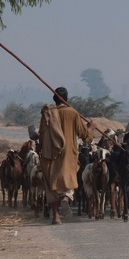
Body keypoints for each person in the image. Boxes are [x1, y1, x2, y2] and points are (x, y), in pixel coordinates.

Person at [39, 87, 94, 225]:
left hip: (50, 154)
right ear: (66, 99)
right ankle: (66, 198)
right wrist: (91, 128)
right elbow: (84, 135)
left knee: (52, 185)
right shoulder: (72, 113)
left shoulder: (48, 113)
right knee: (68, 181)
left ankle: (56, 217)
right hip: (68, 154)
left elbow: (41, 134)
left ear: (55, 99)